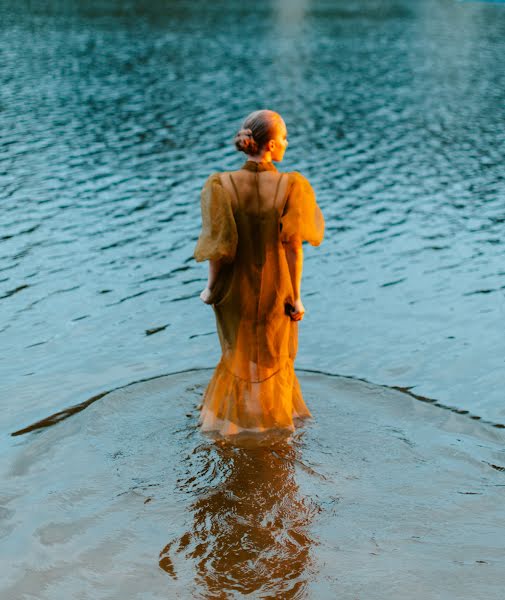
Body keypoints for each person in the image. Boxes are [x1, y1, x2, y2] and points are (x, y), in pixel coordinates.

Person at [193, 109, 325, 445]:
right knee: (272, 356)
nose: (286, 142)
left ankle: (236, 423)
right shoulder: (290, 186)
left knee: (237, 353)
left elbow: (219, 248)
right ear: (269, 146)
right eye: (283, 137)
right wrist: (295, 297)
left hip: (234, 289)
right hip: (276, 290)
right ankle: (271, 425)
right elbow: (294, 247)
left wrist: (210, 289)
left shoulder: (221, 185)